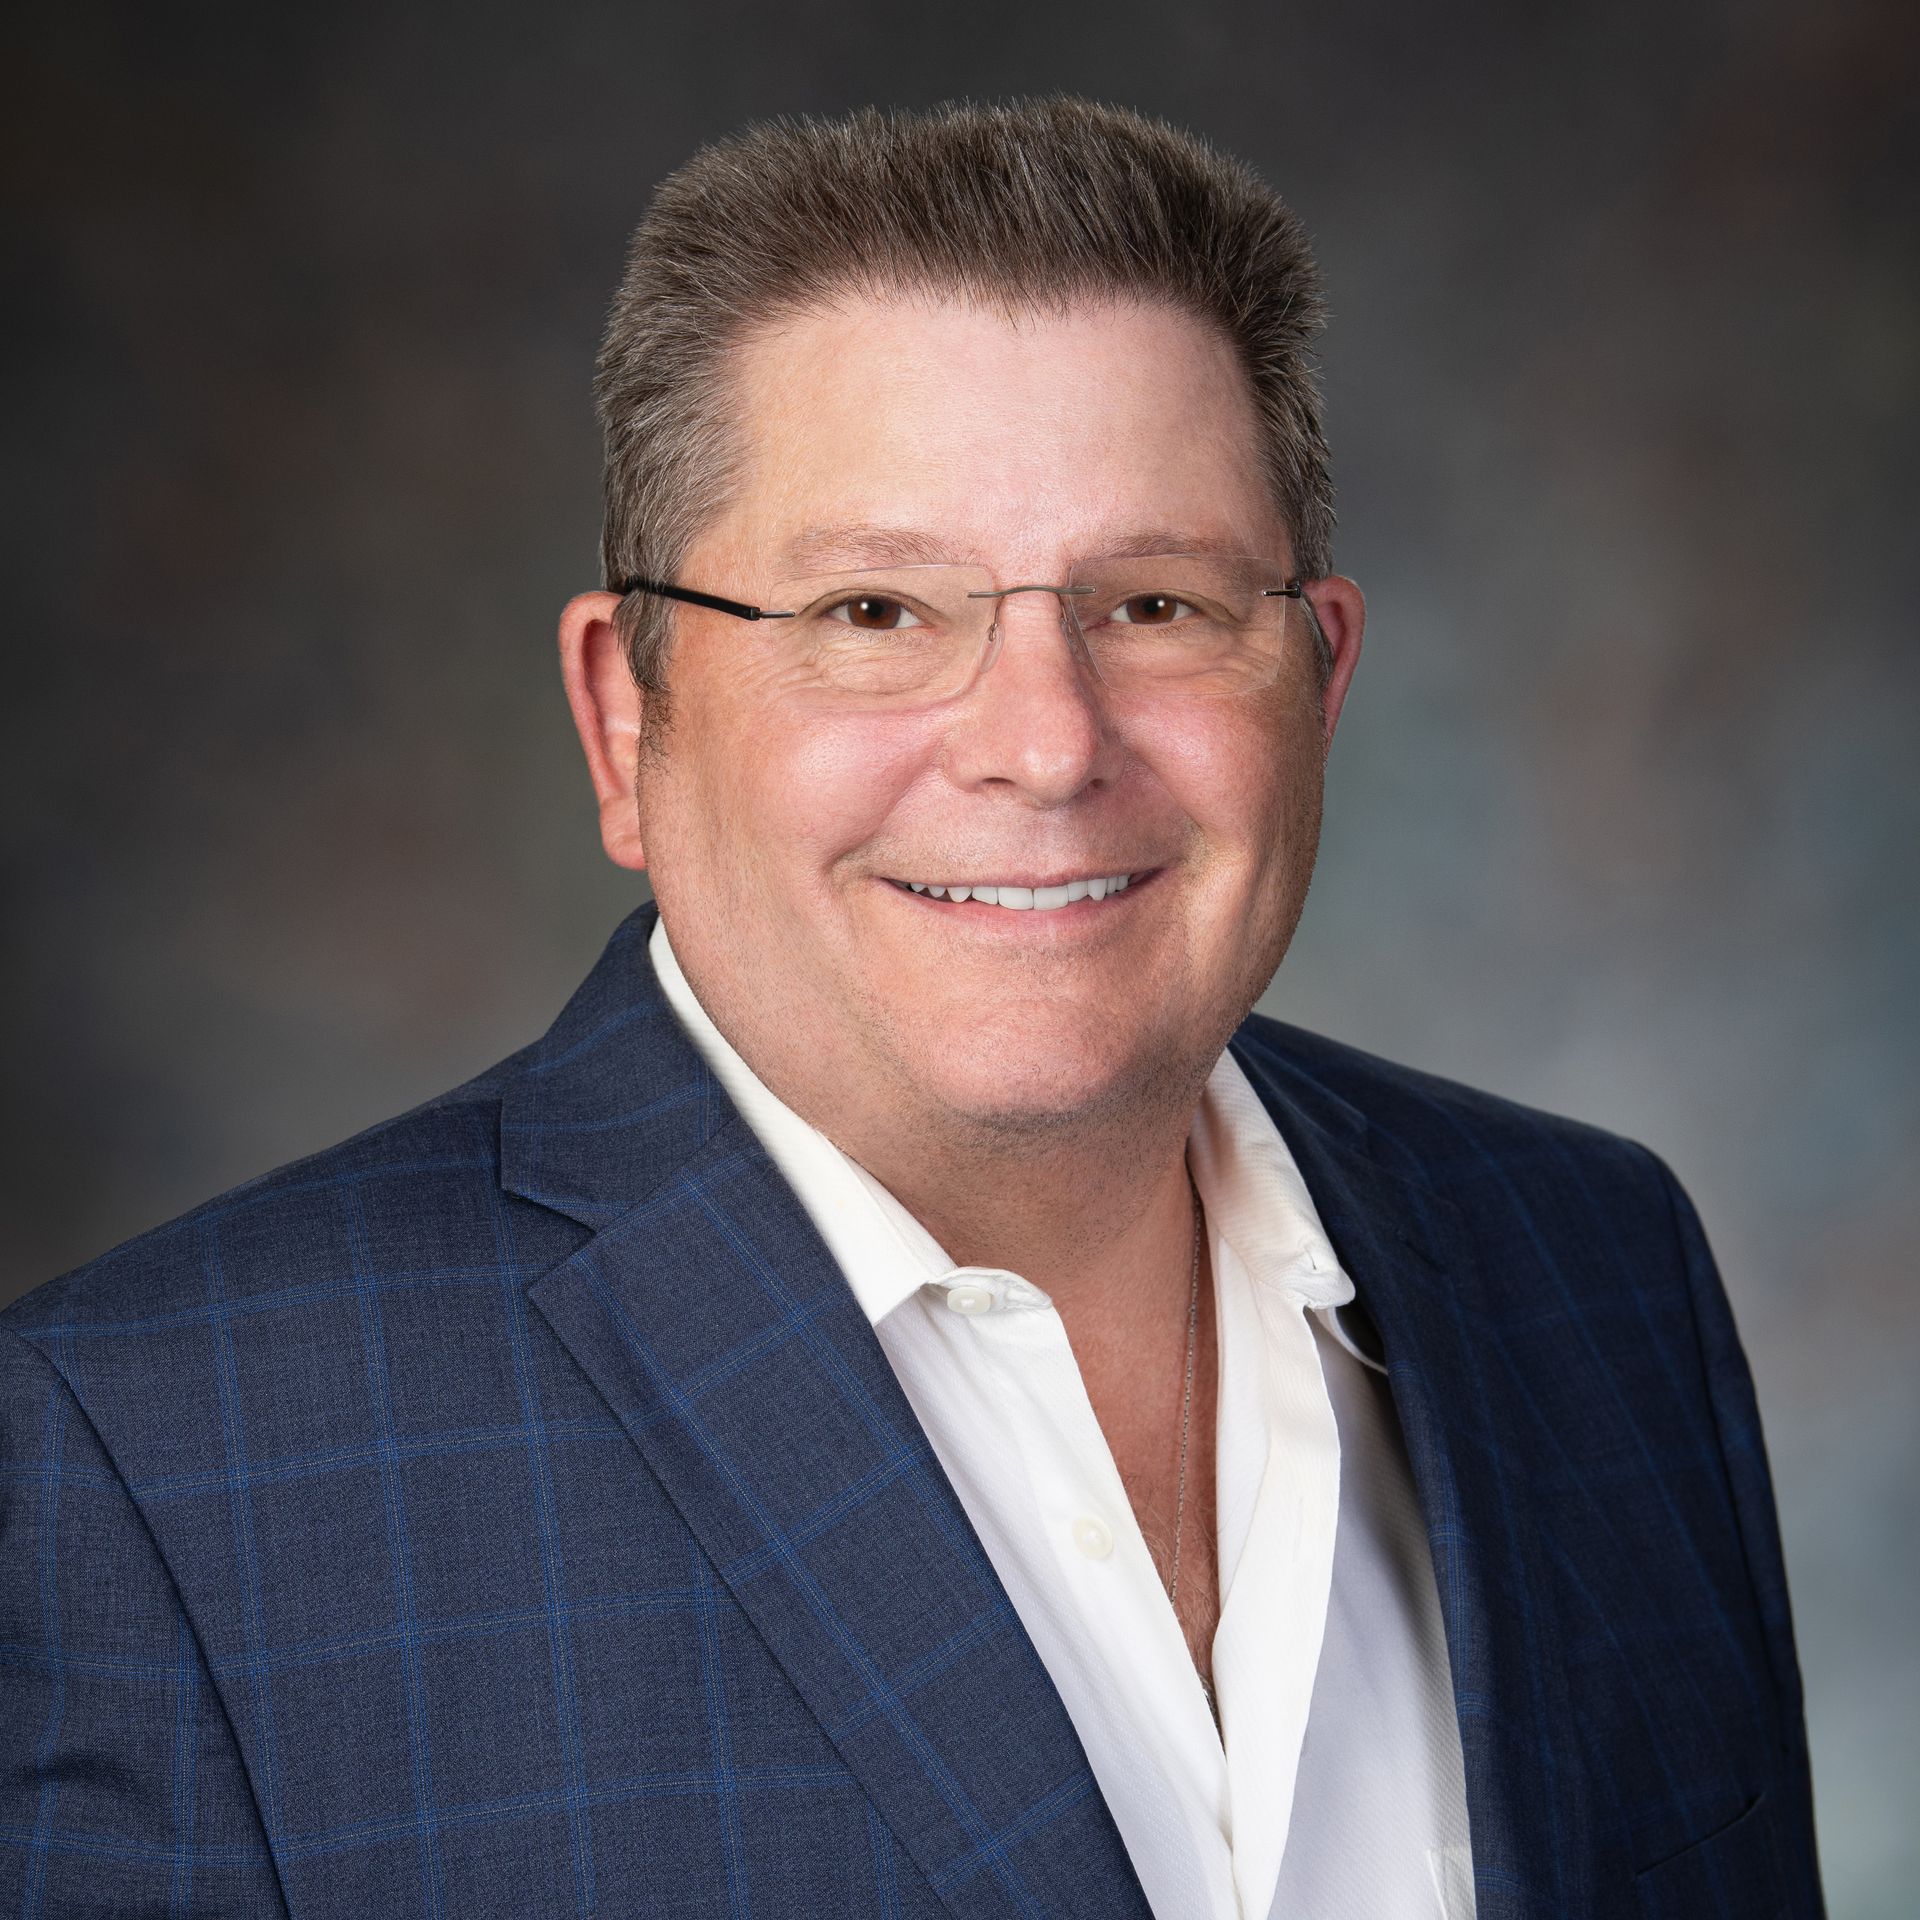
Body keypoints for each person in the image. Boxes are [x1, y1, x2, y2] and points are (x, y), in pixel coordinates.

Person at [0, 97, 1821, 1919]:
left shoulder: (1595, 1270)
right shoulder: (161, 1463)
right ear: (626, 722)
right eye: (876, 609)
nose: (1043, 743)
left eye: (1160, 603)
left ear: (1319, 681)